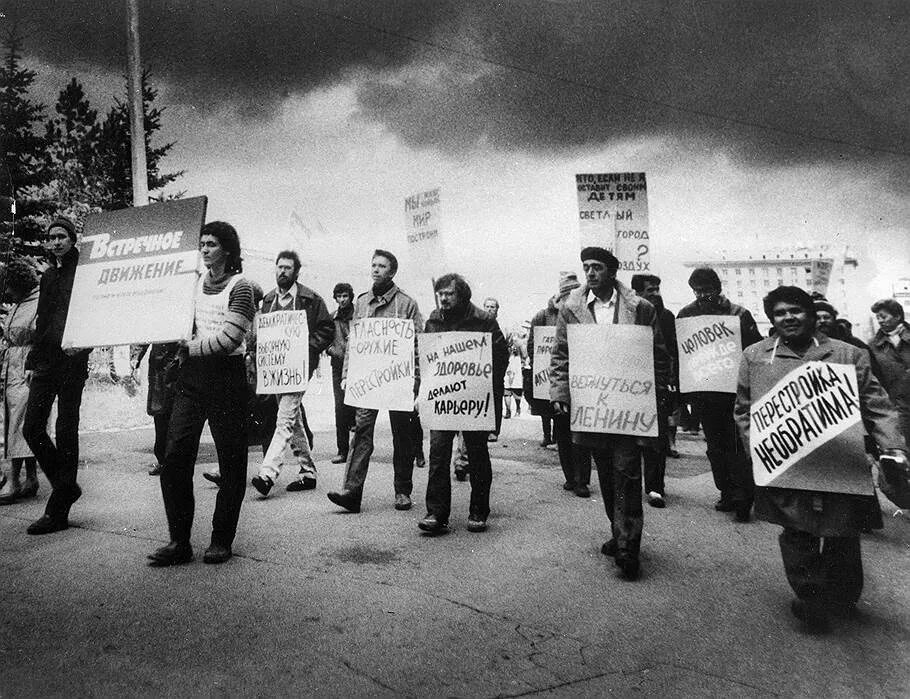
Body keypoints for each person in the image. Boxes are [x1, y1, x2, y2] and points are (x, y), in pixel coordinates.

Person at [734, 286, 907, 628]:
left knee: (842, 530)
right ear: (772, 319)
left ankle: (843, 597)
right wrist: (759, 448)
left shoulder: (847, 354)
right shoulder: (756, 356)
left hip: (839, 459)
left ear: (811, 315)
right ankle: (809, 597)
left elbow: (876, 403)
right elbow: (744, 410)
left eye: (795, 311)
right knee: (797, 529)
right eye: (780, 313)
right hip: (786, 462)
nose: (789, 318)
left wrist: (893, 446)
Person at [550, 247, 670, 580]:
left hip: (629, 407)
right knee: (604, 470)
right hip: (591, 405)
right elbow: (561, 355)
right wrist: (560, 393)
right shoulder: (571, 308)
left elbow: (658, 355)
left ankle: (628, 546)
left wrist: (655, 396)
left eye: (597, 267)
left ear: (613, 271)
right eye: (586, 267)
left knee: (627, 470)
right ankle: (618, 530)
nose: (590, 273)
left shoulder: (640, 307)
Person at [148, 221, 256, 566]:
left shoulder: (242, 288)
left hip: (227, 379)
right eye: (202, 244)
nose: (205, 249)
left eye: (211, 244)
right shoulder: (193, 284)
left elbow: (230, 339)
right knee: (175, 456)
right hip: (192, 379)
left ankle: (221, 539)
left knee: (231, 461)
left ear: (227, 249)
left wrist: (189, 348)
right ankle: (179, 541)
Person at [326, 249, 423, 513]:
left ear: (392, 272)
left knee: (402, 435)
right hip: (368, 382)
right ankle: (352, 492)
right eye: (373, 265)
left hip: (397, 382)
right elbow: (353, 342)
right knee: (361, 431)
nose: (376, 270)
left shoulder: (407, 304)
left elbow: (418, 346)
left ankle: (402, 491)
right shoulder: (361, 303)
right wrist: (347, 374)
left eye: (382, 266)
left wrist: (415, 382)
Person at [417, 274, 508, 534]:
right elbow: (427, 362)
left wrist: (482, 386)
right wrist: (423, 392)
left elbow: (500, 357)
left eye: (449, 294)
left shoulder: (484, 321)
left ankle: (478, 511)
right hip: (443, 400)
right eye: (441, 294)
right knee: (438, 453)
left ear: (462, 295)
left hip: (473, 400)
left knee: (477, 454)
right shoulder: (434, 320)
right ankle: (436, 513)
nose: (444, 299)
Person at [22, 218, 92, 535]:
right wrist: (34, 359)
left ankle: (58, 511)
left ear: (73, 239)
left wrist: (86, 345)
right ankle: (66, 486)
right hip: (48, 361)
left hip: (73, 360)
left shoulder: (87, 272)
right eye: (51, 238)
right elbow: (44, 320)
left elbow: (98, 313)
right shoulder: (49, 276)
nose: (56, 242)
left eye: (61, 236)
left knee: (66, 430)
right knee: (32, 427)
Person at [676, 267, 763, 521]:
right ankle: (726, 491)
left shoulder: (739, 314)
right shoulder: (687, 315)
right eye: (698, 291)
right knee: (715, 446)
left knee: (736, 444)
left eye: (708, 290)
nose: (704, 295)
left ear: (718, 288)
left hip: (735, 394)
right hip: (705, 393)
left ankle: (743, 496)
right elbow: (683, 355)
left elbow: (753, 351)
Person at [247, 250, 334, 497]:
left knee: (283, 419)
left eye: (287, 268)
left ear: (296, 272)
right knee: (293, 420)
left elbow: (326, 328)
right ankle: (308, 472)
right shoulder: (268, 300)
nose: (282, 271)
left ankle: (268, 473)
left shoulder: (311, 299)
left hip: (299, 368)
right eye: (279, 267)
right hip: (275, 370)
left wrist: (306, 347)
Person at [527, 272, 592, 497]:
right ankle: (570, 477)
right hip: (558, 380)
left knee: (581, 433)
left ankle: (582, 479)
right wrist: (542, 375)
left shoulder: (587, 312)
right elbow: (533, 347)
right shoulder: (543, 316)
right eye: (569, 293)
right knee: (562, 431)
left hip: (584, 382)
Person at [631, 273, 679, 508]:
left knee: (656, 439)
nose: (656, 294)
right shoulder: (627, 314)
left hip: (656, 384)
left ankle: (655, 487)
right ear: (638, 293)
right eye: (651, 290)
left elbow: (671, 351)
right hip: (629, 386)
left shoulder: (667, 316)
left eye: (658, 289)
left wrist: (669, 381)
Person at [0, 258, 42, 505]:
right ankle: (32, 478)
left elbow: (40, 335)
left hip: (27, 367)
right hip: (13, 366)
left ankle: (14, 481)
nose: (5, 292)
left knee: (18, 422)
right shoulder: (21, 303)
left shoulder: (37, 302)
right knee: (18, 420)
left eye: (8, 286)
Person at [129, 342, 180, 476]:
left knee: (180, 413)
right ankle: (163, 460)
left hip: (181, 360)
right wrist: (135, 357)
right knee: (160, 413)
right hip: (159, 366)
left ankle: (175, 462)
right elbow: (145, 330)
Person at [869, 298, 910, 448]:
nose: (879, 321)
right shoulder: (873, 345)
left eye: (883, 316)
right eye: (877, 317)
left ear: (898, 316)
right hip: (896, 405)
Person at [328, 282, 356, 464]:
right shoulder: (332, 318)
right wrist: (332, 349)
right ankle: (342, 450)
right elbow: (325, 338)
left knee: (358, 406)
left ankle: (358, 450)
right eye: (339, 296)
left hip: (358, 364)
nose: (342, 299)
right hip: (338, 365)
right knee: (340, 407)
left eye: (345, 296)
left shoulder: (359, 315)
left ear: (350, 297)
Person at [482, 296, 504, 442]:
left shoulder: (497, 329)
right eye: (487, 306)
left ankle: (494, 431)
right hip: (480, 373)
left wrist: (498, 372)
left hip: (495, 373)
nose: (490, 309)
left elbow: (503, 353)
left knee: (495, 400)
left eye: (493, 307)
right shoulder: (478, 325)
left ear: (497, 311)